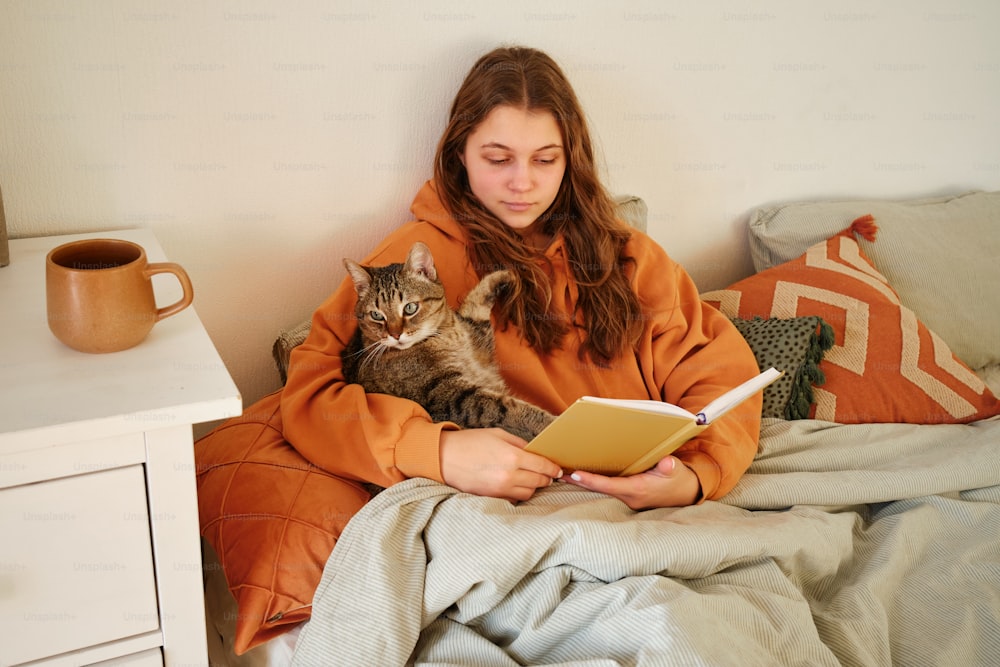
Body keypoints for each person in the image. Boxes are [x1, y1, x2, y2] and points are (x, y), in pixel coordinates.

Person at [280, 46, 762, 510]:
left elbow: (719, 369)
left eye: (545, 159)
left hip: (643, 501)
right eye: (497, 158)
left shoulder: (630, 254)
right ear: (460, 154)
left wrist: (695, 477)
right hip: (510, 509)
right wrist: (438, 452)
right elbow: (310, 399)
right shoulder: (409, 264)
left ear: (570, 158)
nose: (523, 182)